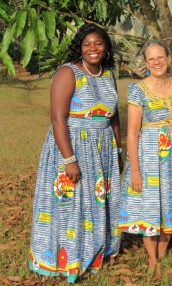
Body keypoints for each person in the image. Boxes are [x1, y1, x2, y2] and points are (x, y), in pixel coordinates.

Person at [29, 24, 123, 282]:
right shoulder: (68, 72)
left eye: (98, 44)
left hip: (103, 147)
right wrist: (69, 159)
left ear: (106, 48)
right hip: (72, 146)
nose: (93, 49)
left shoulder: (107, 75)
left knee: (98, 202)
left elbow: (114, 116)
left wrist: (119, 149)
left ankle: (97, 252)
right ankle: (66, 258)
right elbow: (58, 118)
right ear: (79, 47)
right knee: (71, 204)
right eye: (87, 44)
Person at [118, 39, 172, 273]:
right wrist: (136, 170)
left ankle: (163, 248)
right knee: (151, 205)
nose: (157, 62)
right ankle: (152, 258)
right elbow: (131, 133)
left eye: (161, 57)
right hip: (149, 155)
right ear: (146, 62)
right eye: (151, 59)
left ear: (168, 58)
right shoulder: (138, 89)